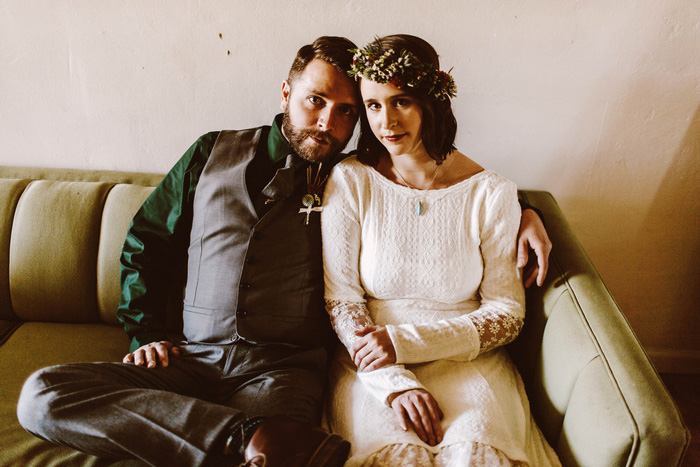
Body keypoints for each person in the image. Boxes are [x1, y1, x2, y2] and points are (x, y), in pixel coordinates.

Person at [16, 36, 549, 467]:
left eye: (345, 112)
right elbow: (148, 243)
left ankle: (251, 442)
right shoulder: (210, 151)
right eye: (316, 101)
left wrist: (526, 210)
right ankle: (244, 441)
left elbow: (432, 191)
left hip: (279, 372)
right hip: (191, 356)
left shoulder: (345, 176)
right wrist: (148, 331)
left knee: (288, 448)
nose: (327, 123)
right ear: (286, 93)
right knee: (42, 394)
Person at [321, 35, 561, 466]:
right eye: (373, 105)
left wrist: (406, 343)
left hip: (469, 362)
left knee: (475, 456)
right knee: (399, 458)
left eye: (402, 101)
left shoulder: (492, 193)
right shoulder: (351, 180)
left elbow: (507, 314)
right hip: (372, 365)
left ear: (433, 100)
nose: (386, 122)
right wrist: (394, 378)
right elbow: (342, 300)